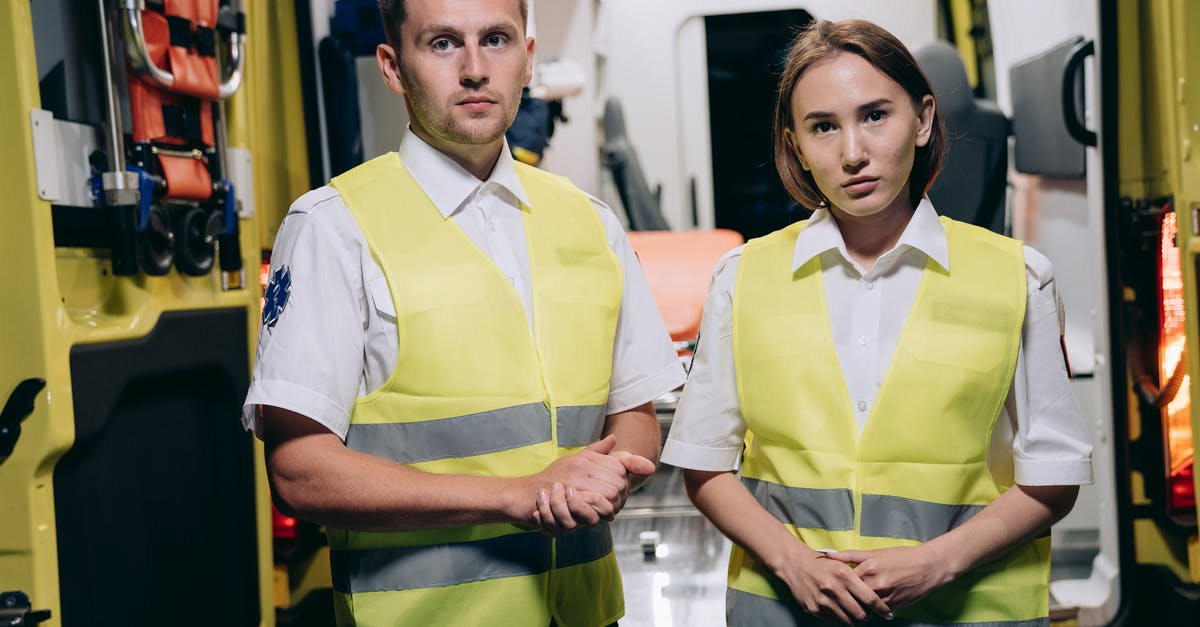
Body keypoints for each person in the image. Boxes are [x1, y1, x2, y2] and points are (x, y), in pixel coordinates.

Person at [242, 0, 685, 625]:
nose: (476, 68)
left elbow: (636, 419)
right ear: (394, 68)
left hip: (587, 614)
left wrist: (600, 480)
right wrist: (513, 496)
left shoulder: (591, 222)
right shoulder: (333, 227)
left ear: (527, 61)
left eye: (497, 40)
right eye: (444, 43)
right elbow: (300, 472)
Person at [661, 19, 1093, 627]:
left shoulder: (1017, 278)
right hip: (788, 609)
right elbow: (705, 465)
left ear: (921, 121)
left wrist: (937, 563)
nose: (852, 152)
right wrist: (795, 564)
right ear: (797, 147)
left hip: (959, 610)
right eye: (823, 127)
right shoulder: (743, 276)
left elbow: (1054, 478)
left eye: (875, 116)